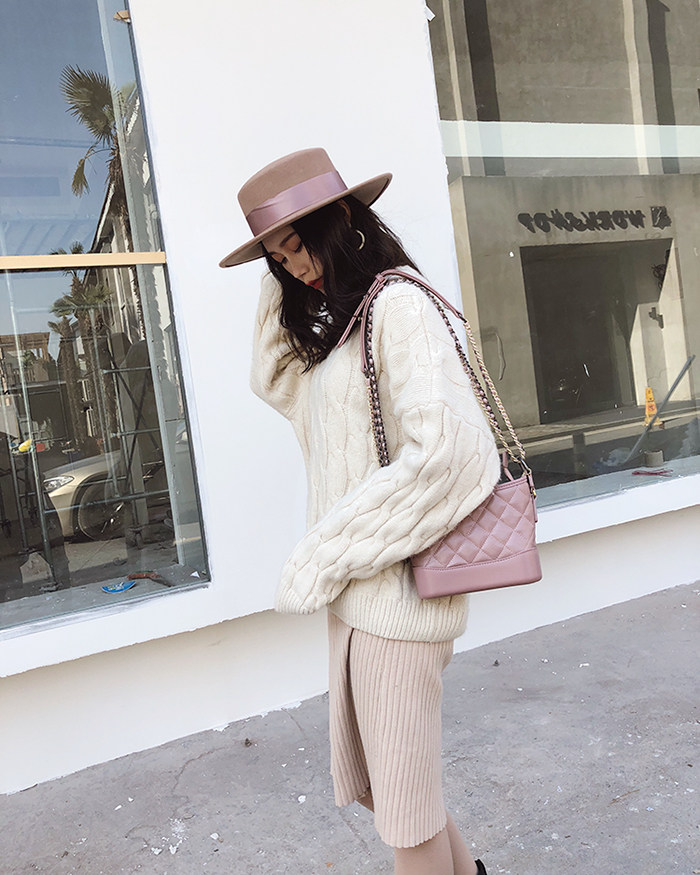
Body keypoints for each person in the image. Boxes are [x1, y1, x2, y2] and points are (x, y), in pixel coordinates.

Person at [220, 148, 499, 875]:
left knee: (406, 817)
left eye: (298, 245)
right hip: (360, 603)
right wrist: (275, 261)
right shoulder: (347, 331)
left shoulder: (399, 307)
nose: (295, 267)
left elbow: (450, 456)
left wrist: (326, 551)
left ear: (342, 218)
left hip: (399, 606)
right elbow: (272, 378)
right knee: (393, 794)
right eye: (278, 258)